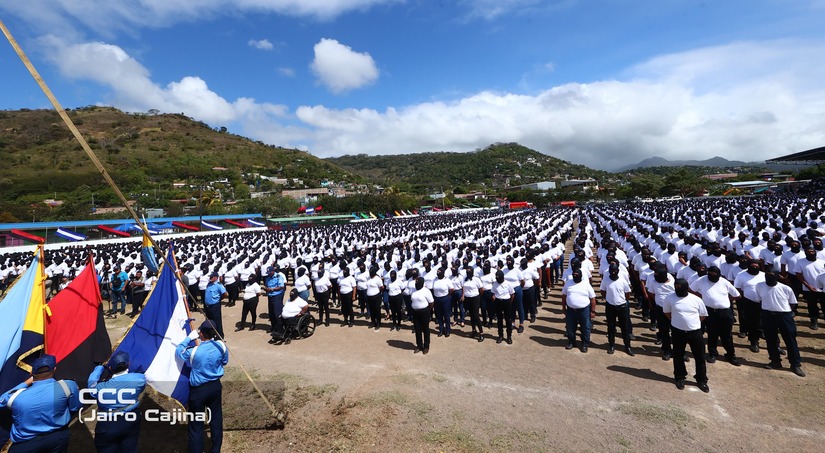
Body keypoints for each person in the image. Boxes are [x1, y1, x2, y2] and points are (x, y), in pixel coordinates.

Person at [0, 354, 81, 452]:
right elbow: (75, 407)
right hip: (57, 439)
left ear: (31, 373)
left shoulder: (15, 397)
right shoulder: (68, 386)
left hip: (26, 445)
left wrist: (26, 382)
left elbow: (2, 400)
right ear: (54, 369)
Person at [176, 320, 229, 453]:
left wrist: (188, 338)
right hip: (215, 387)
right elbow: (225, 361)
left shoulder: (194, 352)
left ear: (202, 334)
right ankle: (215, 449)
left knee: (196, 426)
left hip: (198, 392)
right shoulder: (221, 346)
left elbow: (178, 352)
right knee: (216, 419)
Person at [87, 352, 147, 453]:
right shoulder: (139, 379)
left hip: (108, 425)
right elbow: (140, 388)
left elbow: (91, 384)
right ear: (128, 364)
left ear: (110, 368)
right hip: (131, 421)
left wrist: (100, 367)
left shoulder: (100, 388)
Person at [753, 271, 806, 377]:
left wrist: (785, 312)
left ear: (777, 278)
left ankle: (795, 364)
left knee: (790, 339)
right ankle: (775, 361)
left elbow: (793, 303)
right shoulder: (759, 286)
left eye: (773, 278)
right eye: (768, 277)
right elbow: (759, 299)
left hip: (784, 316)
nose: (770, 280)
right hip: (768, 315)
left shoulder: (785, 288)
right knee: (770, 339)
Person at [664, 279, 709, 392]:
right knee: (678, 355)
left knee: (699, 356)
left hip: (695, 332)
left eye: (680, 286)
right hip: (678, 331)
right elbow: (667, 313)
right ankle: (679, 377)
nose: (677, 288)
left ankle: (701, 379)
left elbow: (702, 315)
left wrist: (691, 323)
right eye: (676, 286)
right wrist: (679, 322)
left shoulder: (696, 299)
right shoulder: (669, 298)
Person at [690, 266, 741, 366]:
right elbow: (690, 289)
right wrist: (701, 297)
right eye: (710, 274)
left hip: (725, 312)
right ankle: (713, 354)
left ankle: (731, 355)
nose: (712, 276)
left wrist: (726, 300)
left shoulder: (724, 282)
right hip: (710, 311)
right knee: (712, 334)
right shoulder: (701, 280)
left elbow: (737, 295)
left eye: (715, 275)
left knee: (727, 335)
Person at [599, 265, 634, 356]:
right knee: (611, 326)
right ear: (609, 271)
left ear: (618, 271)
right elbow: (603, 291)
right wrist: (609, 298)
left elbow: (627, 294)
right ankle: (611, 345)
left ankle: (627, 346)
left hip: (622, 306)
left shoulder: (623, 281)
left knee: (625, 327)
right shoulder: (605, 281)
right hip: (610, 306)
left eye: (615, 270)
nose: (613, 272)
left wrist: (621, 300)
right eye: (611, 270)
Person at [561, 269, 596, 352]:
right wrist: (563, 307)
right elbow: (564, 296)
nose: (575, 276)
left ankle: (584, 344)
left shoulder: (586, 284)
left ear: (581, 276)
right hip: (571, 310)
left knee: (586, 327)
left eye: (577, 275)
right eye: (574, 275)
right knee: (570, 327)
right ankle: (571, 342)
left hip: (584, 310)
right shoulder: (568, 283)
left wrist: (593, 311)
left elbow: (592, 299)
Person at [410, 277, 434, 354]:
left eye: (417, 282)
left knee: (425, 329)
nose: (416, 283)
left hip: (424, 312)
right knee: (417, 329)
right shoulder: (413, 290)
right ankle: (419, 345)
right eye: (415, 282)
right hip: (415, 312)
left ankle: (426, 346)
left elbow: (431, 302)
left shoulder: (426, 291)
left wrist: (427, 310)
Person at [491, 270, 515, 344]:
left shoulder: (508, 283)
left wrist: (509, 302)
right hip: (498, 302)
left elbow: (512, 294)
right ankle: (500, 335)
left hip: (506, 301)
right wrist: (493, 297)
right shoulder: (495, 284)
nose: (498, 280)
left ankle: (509, 336)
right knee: (499, 320)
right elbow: (493, 293)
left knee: (508, 319)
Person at [462, 267, 485, 342]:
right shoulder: (464, 279)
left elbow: (482, 289)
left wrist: (478, 296)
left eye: (469, 271)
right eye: (467, 271)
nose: (468, 272)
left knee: (476, 315)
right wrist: (463, 295)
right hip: (467, 299)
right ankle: (473, 330)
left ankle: (481, 332)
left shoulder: (476, 279)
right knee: (471, 316)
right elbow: (463, 288)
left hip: (475, 298)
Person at [203, 272, 228, 339]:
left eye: (211, 277)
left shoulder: (219, 285)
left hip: (215, 306)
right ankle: (210, 335)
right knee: (208, 321)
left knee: (217, 321)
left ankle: (219, 336)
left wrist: (219, 299)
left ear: (215, 277)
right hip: (208, 306)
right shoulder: (209, 284)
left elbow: (225, 294)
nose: (210, 278)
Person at [263, 266, 287, 336]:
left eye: (270, 272)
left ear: (273, 271)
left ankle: (280, 330)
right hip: (270, 296)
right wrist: (266, 289)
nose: (269, 274)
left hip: (277, 296)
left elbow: (281, 286)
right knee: (271, 313)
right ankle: (273, 327)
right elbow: (267, 285)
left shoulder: (279, 277)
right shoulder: (267, 278)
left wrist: (272, 289)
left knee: (277, 314)